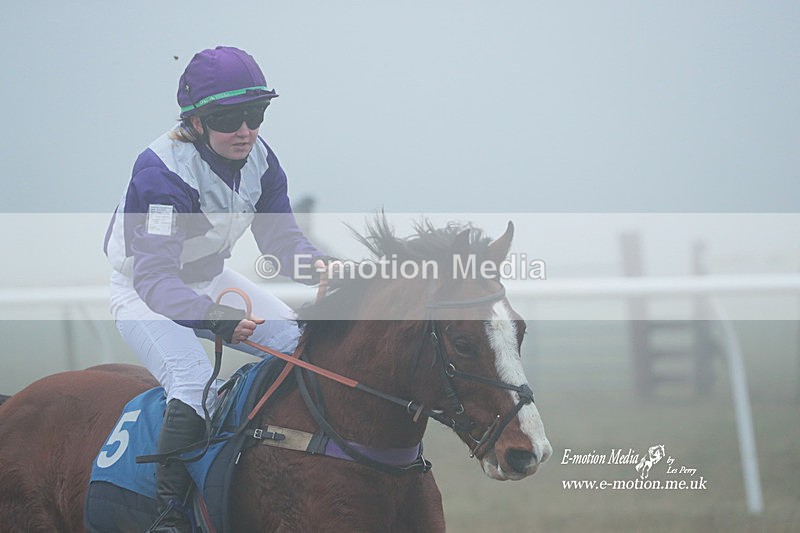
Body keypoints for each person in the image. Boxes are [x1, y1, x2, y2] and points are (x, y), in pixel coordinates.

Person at [103, 46, 329, 532]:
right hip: (145, 290)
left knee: (302, 349)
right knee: (193, 384)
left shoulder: (262, 159)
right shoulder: (162, 172)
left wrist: (324, 270)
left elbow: (281, 240)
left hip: (209, 278)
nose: (246, 130)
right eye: (230, 118)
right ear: (198, 122)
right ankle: (167, 516)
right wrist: (211, 316)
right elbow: (155, 278)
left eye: (256, 113)